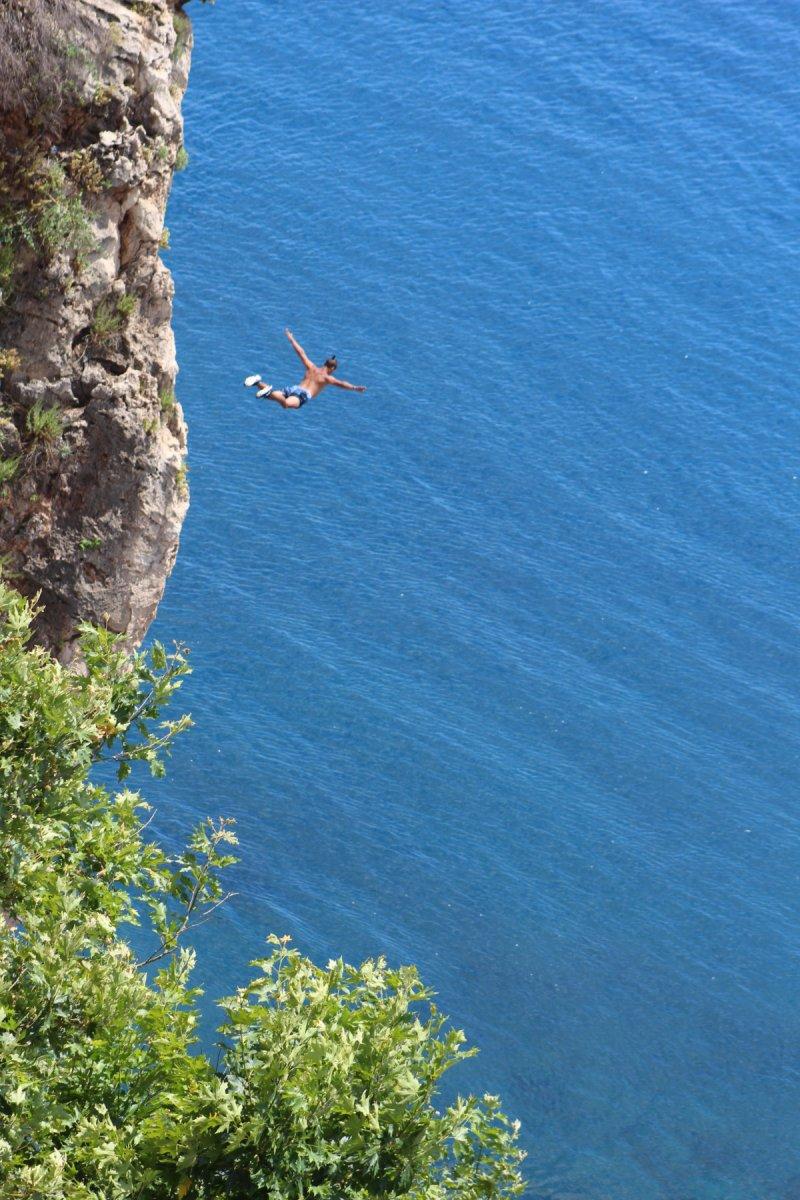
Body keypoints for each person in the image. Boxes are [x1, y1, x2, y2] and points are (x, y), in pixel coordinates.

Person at [244, 328, 367, 409]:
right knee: (286, 404)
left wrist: (291, 339)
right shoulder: (327, 378)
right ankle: (266, 390)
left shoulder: (311, 367)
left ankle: (257, 382)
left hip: (294, 388)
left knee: (271, 396)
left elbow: (301, 352)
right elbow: (341, 384)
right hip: (302, 395)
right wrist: (355, 388)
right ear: (332, 368)